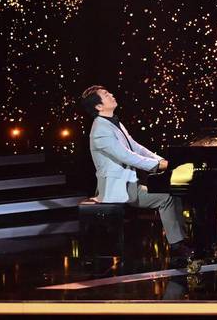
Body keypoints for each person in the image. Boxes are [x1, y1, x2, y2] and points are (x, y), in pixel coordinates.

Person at [79, 85, 193, 261]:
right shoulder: (100, 130)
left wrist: (162, 160)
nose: (111, 95)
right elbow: (126, 156)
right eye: (106, 94)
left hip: (130, 183)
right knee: (166, 198)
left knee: (173, 193)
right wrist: (159, 165)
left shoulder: (113, 123)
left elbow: (136, 148)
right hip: (117, 187)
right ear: (99, 106)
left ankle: (181, 240)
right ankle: (177, 246)